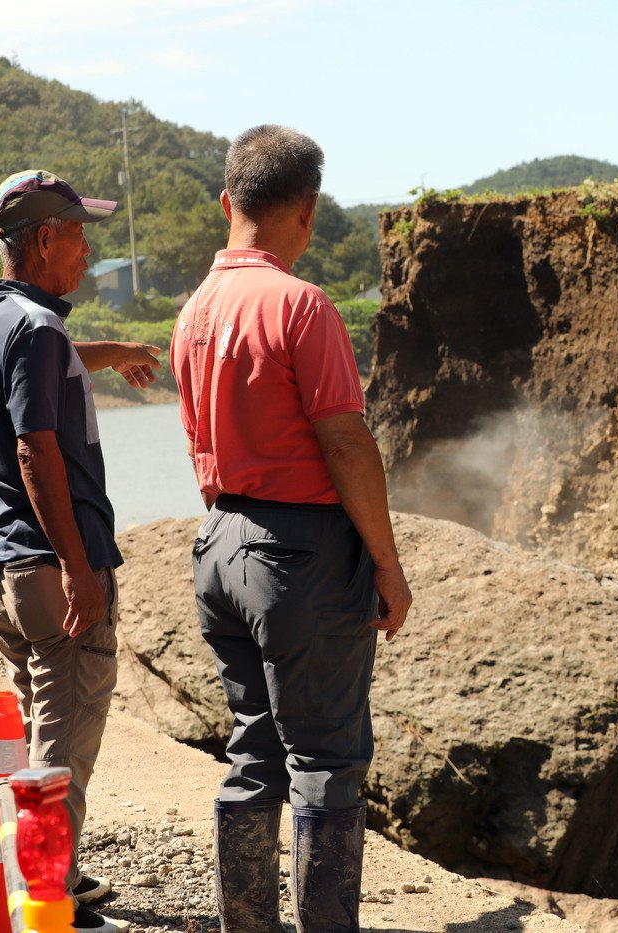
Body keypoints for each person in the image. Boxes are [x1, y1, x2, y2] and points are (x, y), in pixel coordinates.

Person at [171, 125, 412, 933]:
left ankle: (246, 923)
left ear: (226, 202)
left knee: (254, 746)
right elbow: (345, 439)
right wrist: (386, 561)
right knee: (327, 761)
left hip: (220, 541)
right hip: (299, 557)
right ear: (306, 212)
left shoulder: (194, 310)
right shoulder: (300, 306)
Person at [0, 170, 162, 933]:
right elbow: (37, 447)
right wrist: (80, 567)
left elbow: (56, 357)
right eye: (78, 233)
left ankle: (41, 873)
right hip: (51, 570)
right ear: (45, 239)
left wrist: (122, 351)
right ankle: (50, 901)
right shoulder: (36, 331)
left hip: (2, 572)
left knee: (44, 735)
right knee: (61, 749)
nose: (85, 248)